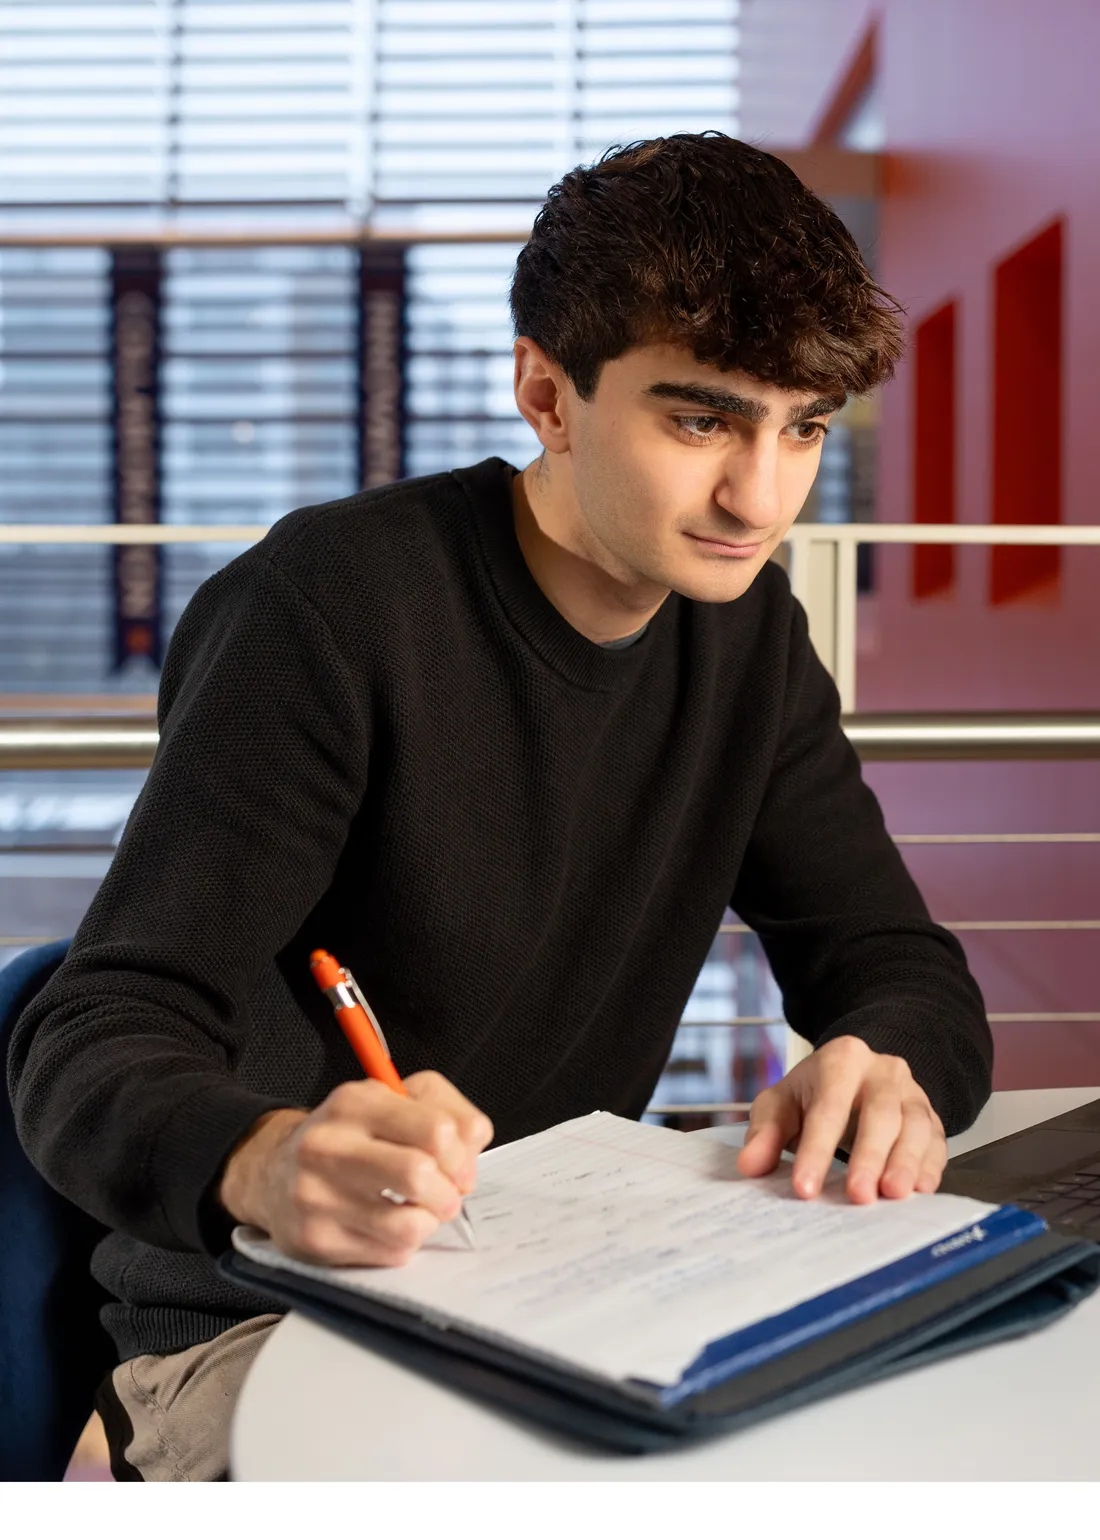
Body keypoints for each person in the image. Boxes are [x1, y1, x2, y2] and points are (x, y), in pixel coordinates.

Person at [8, 133, 992, 1481]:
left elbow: (897, 967)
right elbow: (93, 1027)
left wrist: (888, 1069)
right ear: (547, 390)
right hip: (271, 1328)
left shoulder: (748, 633)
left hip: (568, 1310)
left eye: (801, 429)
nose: (759, 497)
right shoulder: (333, 610)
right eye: (700, 418)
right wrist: (264, 1156)